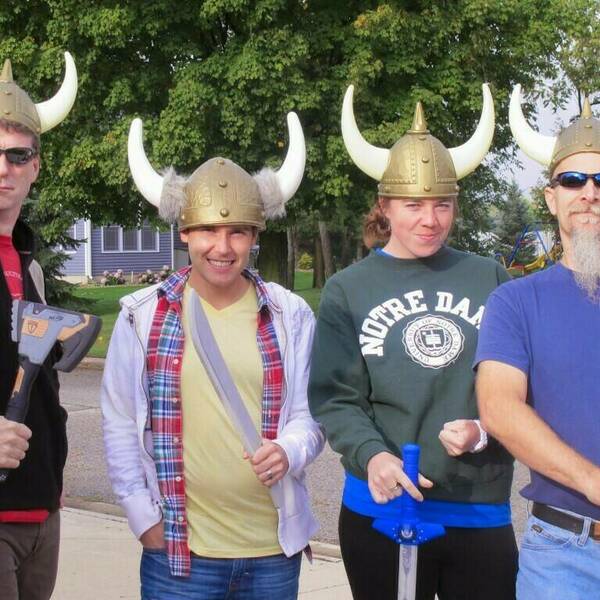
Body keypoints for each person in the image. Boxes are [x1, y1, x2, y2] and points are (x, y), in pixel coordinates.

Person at [101, 111, 324, 600]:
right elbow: (119, 420)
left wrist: (289, 450)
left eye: (238, 233)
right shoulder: (141, 316)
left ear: (254, 236)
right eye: (207, 232)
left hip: (271, 552)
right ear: (184, 233)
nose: (222, 247)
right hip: (179, 555)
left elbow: (311, 417)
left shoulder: (291, 314)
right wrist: (142, 518)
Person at [308, 84, 518, 600]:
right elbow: (336, 397)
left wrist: (484, 429)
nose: (430, 219)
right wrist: (373, 457)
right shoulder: (347, 289)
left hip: (479, 509)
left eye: (442, 204)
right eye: (413, 204)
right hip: (382, 513)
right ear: (384, 206)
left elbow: (521, 386)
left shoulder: (490, 277)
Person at [475, 85, 600, 600]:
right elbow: (500, 408)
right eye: (573, 179)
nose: (590, 192)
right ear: (551, 197)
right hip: (564, 557)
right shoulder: (515, 302)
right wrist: (594, 483)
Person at [0, 53, 77, 600]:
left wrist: (54, 475)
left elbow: (44, 386)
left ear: (36, 166)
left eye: (16, 154)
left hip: (39, 513)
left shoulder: (28, 264)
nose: (2, 168)